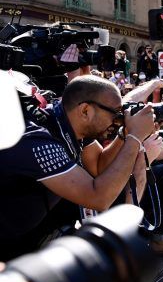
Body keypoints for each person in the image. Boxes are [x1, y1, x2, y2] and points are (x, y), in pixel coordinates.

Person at [0, 76, 155, 261]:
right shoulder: (38, 140)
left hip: (22, 235)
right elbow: (98, 197)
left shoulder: (68, 122)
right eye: (115, 113)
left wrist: (125, 134)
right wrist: (135, 137)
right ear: (85, 110)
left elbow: (99, 166)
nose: (118, 120)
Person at [83, 78, 163, 257]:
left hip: (150, 187)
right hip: (122, 189)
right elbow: (125, 104)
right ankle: (153, 236)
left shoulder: (154, 121)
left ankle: (160, 235)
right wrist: (155, 84)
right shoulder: (117, 121)